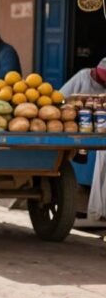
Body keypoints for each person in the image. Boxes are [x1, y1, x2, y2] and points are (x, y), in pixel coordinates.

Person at [60, 57, 106, 221]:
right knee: (80, 159)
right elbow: (61, 97)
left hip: (99, 129)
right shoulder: (82, 76)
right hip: (77, 126)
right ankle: (78, 205)